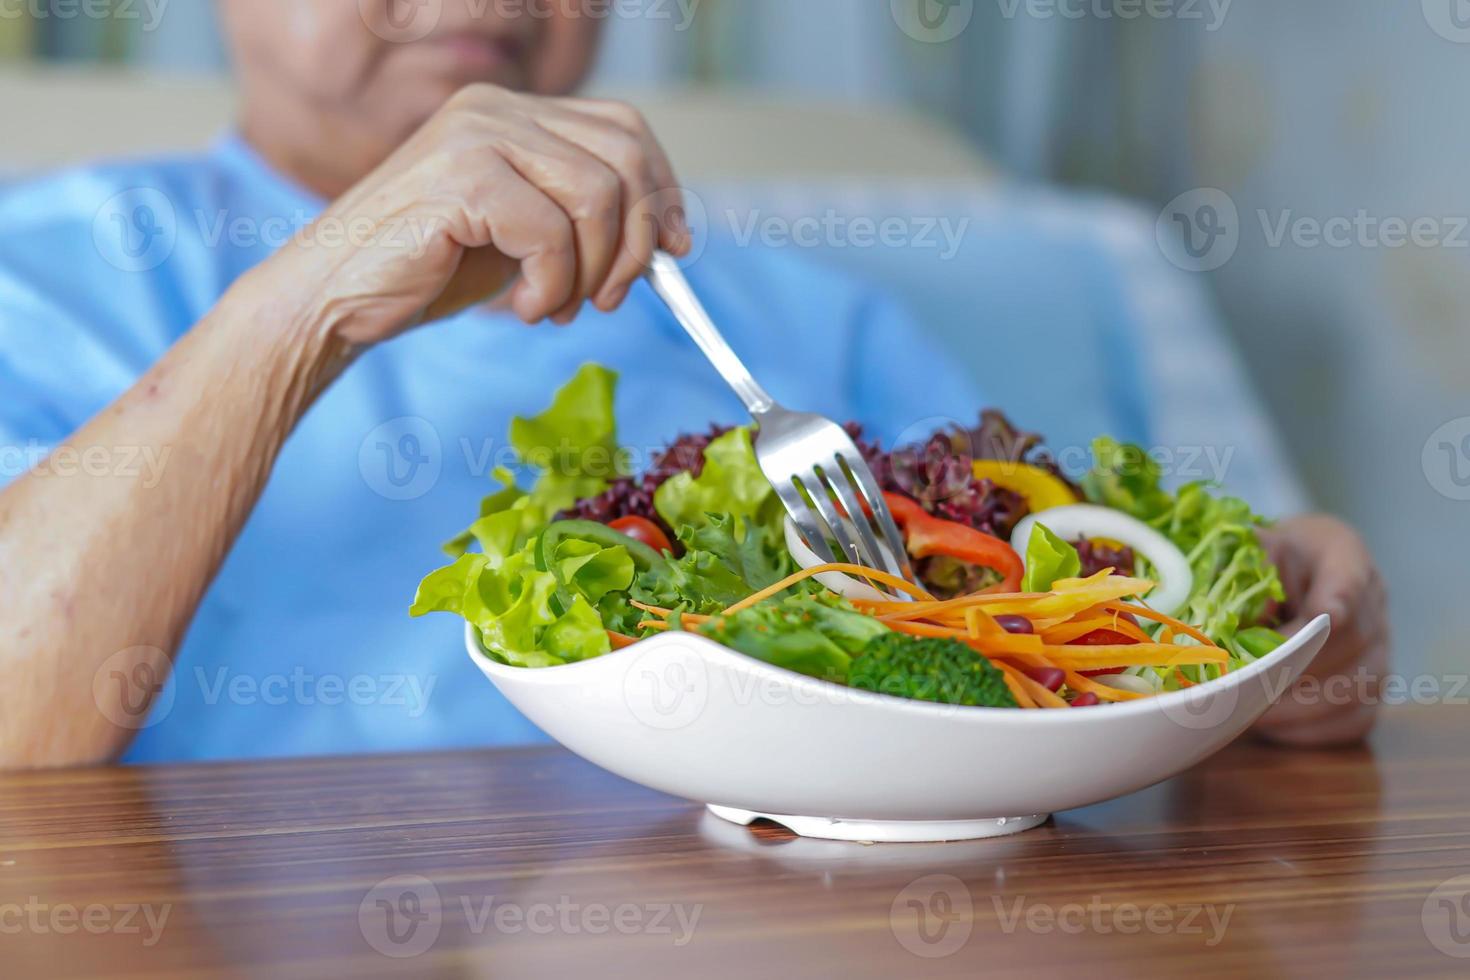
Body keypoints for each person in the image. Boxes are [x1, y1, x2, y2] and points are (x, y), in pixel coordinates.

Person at [0, 1, 1387, 768]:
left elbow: (1031, 653)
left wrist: (1248, 636)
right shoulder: (50, 266)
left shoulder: (807, 317)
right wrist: (302, 300)